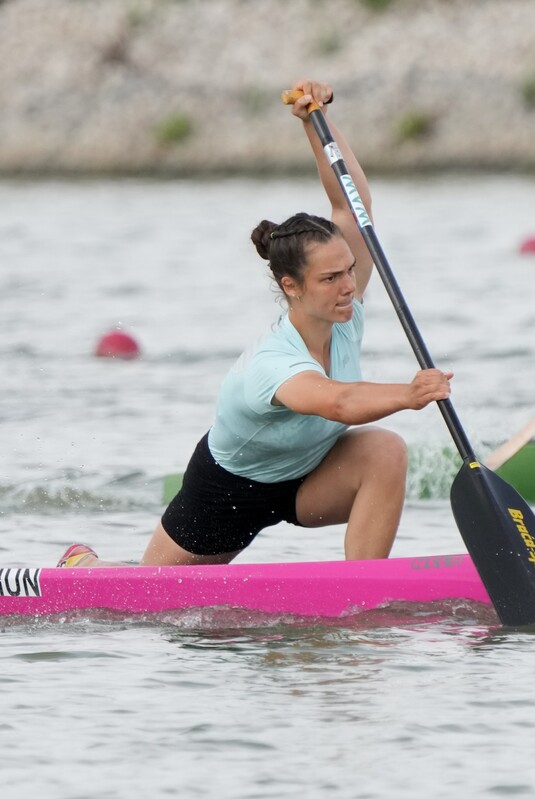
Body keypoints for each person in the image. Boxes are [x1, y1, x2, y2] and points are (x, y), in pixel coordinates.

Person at [58, 79, 452, 568]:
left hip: (307, 479)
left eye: (350, 270)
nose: (349, 285)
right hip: (228, 493)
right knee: (145, 601)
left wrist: (315, 121)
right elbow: (338, 401)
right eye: (330, 278)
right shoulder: (273, 362)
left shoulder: (344, 313)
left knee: (385, 452)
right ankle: (82, 565)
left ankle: (364, 592)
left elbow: (351, 206)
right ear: (292, 287)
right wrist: (409, 394)